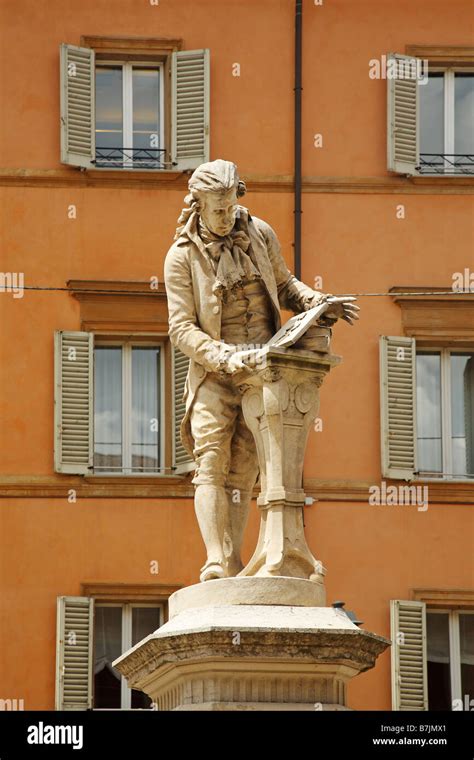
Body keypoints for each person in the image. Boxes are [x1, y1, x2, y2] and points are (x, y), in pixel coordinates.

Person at [164, 159, 358, 582]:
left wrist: (317, 301)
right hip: (214, 371)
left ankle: (253, 563)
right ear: (197, 205)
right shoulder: (180, 258)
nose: (225, 215)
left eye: (230, 206)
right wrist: (224, 357)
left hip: (264, 369)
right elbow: (180, 329)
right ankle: (219, 562)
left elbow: (286, 285)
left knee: (246, 470)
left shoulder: (260, 233)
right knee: (212, 460)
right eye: (216, 209)